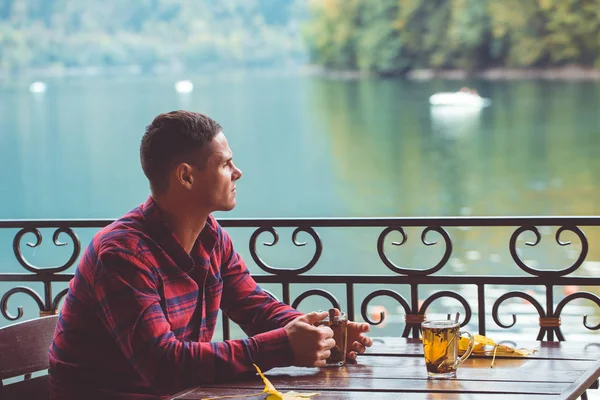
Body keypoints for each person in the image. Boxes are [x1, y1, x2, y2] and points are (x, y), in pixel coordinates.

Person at [49, 110, 373, 399]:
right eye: (225, 163)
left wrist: (322, 335)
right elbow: (164, 366)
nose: (238, 172)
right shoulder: (122, 255)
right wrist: (283, 346)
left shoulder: (211, 237)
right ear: (186, 176)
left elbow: (253, 306)